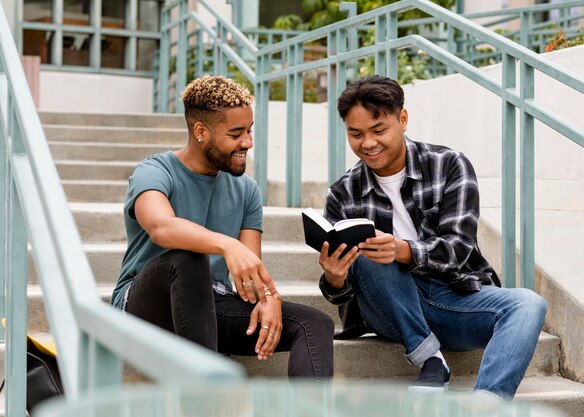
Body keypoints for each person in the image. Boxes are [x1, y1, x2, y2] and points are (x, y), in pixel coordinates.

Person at [318, 75, 546, 397]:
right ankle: (430, 359)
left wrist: (402, 250)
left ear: (403, 119)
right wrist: (334, 277)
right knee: (367, 253)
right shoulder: (343, 194)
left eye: (378, 130)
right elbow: (340, 293)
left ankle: (486, 404)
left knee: (528, 303)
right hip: (389, 308)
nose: (368, 143)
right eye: (356, 134)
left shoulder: (449, 165)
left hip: (453, 296)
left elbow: (458, 248)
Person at [111, 74, 334, 378]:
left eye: (250, 131)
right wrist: (226, 244)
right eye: (236, 133)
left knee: (314, 324)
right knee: (187, 256)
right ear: (201, 131)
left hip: (209, 306)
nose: (248, 142)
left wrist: (269, 299)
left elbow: (250, 272)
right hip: (145, 307)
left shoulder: (247, 190)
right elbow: (161, 227)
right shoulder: (155, 171)